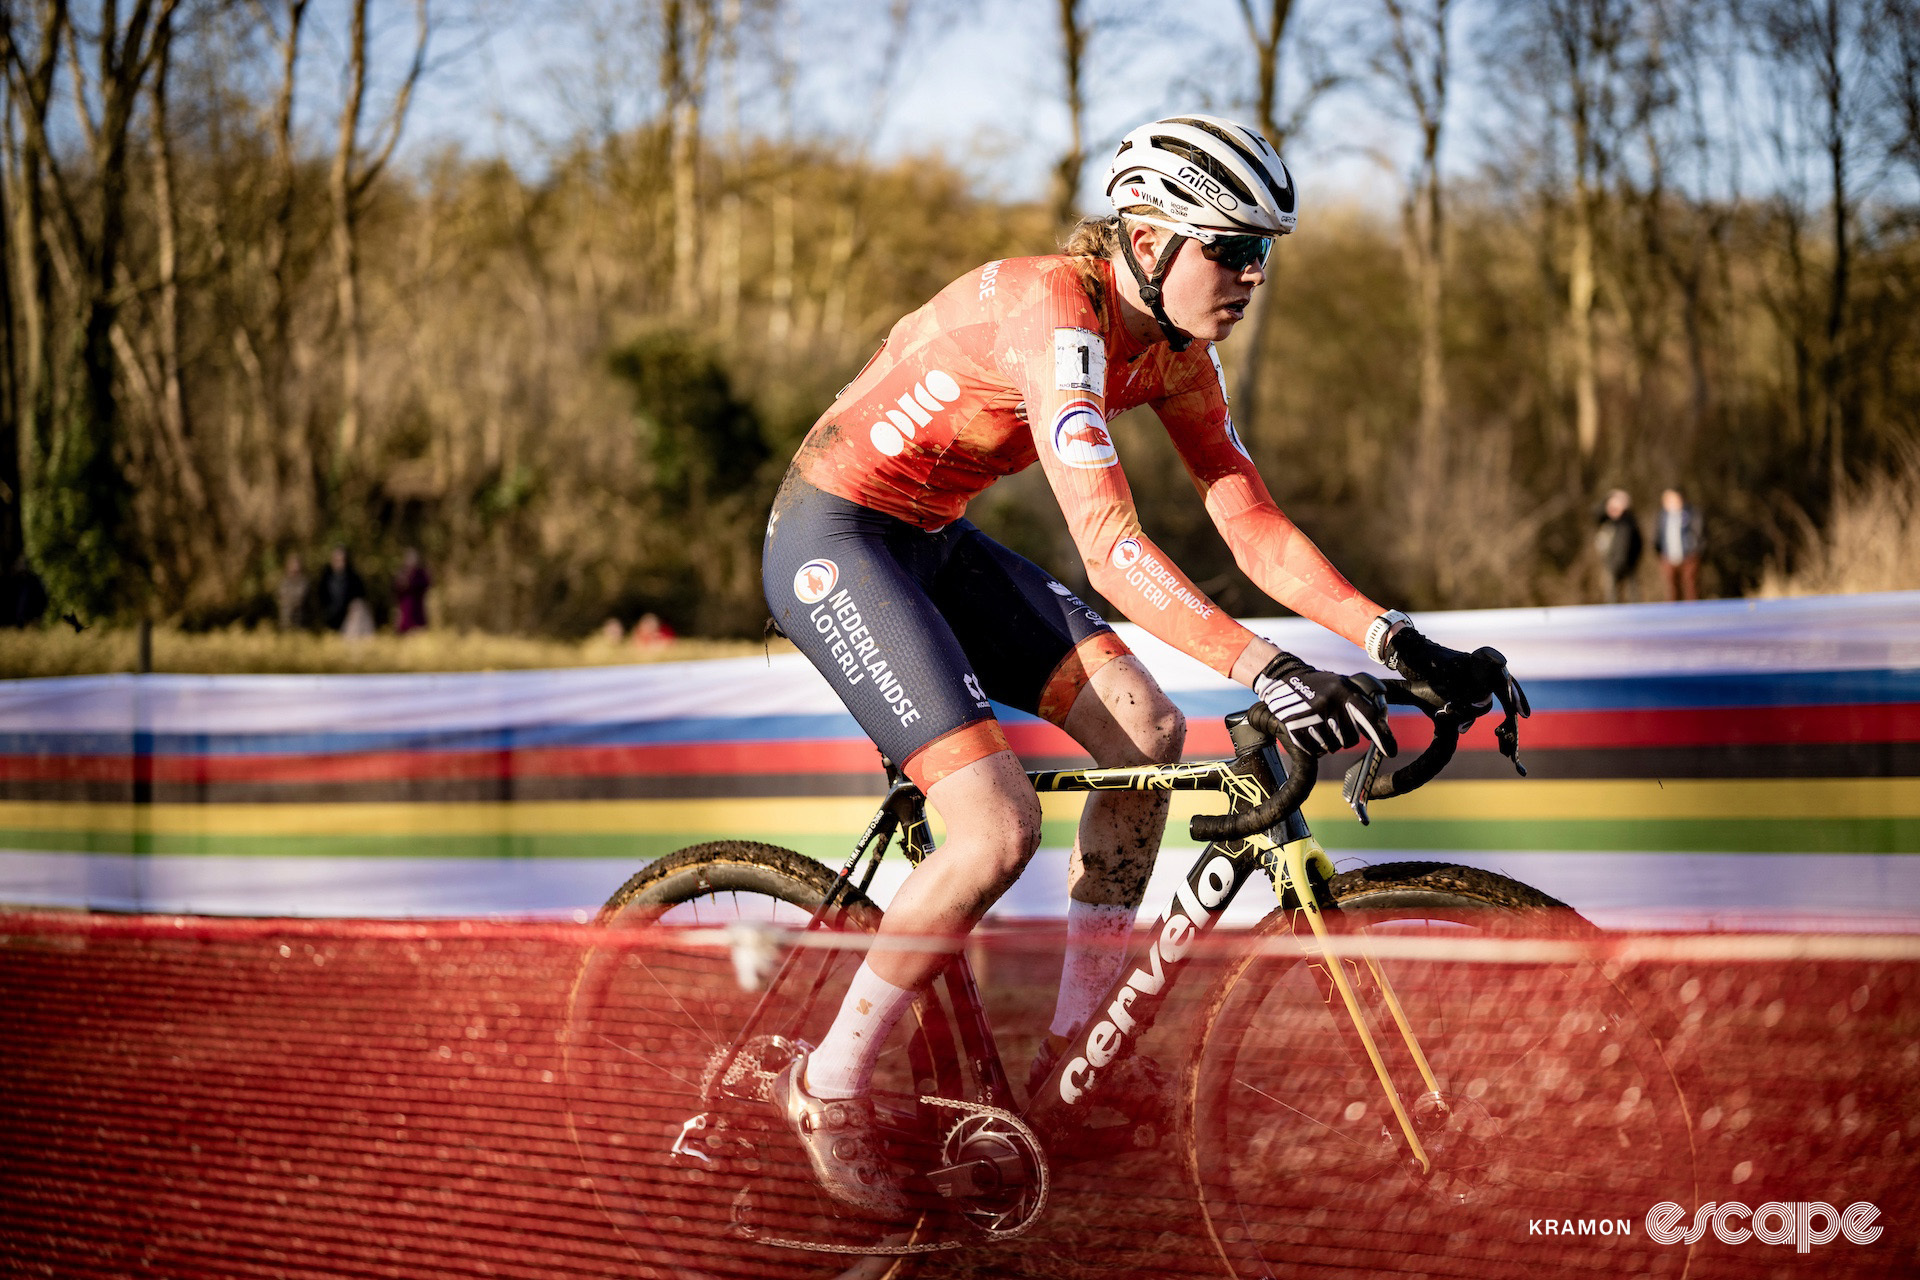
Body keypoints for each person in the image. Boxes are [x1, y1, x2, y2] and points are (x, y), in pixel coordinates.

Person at [760, 114, 1518, 1218]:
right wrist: (1265, 664)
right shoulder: (1058, 315)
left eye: (1266, 250)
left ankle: (1080, 1052)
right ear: (1152, 236)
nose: (1254, 273)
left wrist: (1389, 637)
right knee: (994, 827)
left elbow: (1246, 517)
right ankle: (826, 1084)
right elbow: (1110, 548)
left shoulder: (1174, 348)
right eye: (1234, 246)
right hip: (837, 537)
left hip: (935, 537)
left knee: (1149, 732)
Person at [1594, 489, 1643, 603]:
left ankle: (1636, 615)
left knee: (1633, 593)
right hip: (1610, 562)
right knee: (1612, 594)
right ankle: (1613, 615)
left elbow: (1638, 542)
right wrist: (1608, 499)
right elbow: (1594, 512)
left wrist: (1633, 559)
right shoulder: (1606, 519)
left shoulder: (1629, 520)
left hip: (1630, 563)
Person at [1657, 488, 1701, 601]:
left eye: (1675, 499)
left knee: (1691, 587)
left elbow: (1699, 533)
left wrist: (1696, 550)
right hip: (1668, 556)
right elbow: (1657, 536)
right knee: (1671, 588)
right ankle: (1672, 614)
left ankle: (1693, 612)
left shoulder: (1691, 513)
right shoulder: (1662, 517)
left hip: (1689, 555)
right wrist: (1661, 553)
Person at [317, 545, 366, 632]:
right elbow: (320, 598)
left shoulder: (353, 578)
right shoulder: (325, 577)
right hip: (329, 618)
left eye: (342, 560)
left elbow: (360, 598)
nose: (339, 563)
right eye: (336, 560)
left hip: (347, 620)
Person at [393, 547, 431, 633]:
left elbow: (425, 584)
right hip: (405, 610)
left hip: (417, 609)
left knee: (418, 631)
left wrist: (409, 583)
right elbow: (395, 588)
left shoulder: (420, 573)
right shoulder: (402, 572)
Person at [276, 553, 311, 631]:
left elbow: (301, 597)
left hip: (300, 621)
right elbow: (281, 598)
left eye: (296, 564)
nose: (295, 567)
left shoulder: (304, 582)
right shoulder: (284, 582)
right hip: (285, 622)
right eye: (292, 564)